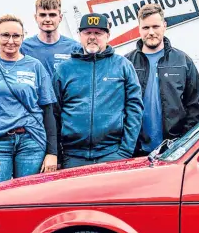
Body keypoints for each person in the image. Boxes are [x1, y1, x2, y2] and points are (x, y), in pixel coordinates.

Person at [0, 15, 59, 187]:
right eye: (5, 35)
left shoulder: (35, 67)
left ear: (23, 37)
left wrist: (52, 152)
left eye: (16, 36)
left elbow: (48, 112)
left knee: (29, 201)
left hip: (31, 142)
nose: (11, 41)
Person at [54, 13, 143, 168]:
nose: (92, 37)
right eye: (87, 33)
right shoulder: (64, 70)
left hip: (112, 154)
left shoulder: (123, 66)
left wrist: (125, 151)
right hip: (73, 157)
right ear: (79, 35)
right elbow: (54, 113)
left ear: (108, 35)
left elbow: (135, 109)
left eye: (98, 33)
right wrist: (59, 154)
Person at [125, 3, 199, 155]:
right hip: (135, 151)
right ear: (139, 29)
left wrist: (182, 141)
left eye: (156, 26)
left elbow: (195, 106)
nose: (151, 32)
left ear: (164, 26)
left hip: (173, 151)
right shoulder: (127, 63)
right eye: (146, 28)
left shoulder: (182, 61)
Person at [21, 0, 79, 77]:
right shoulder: (24, 48)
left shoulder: (74, 48)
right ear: (36, 17)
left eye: (52, 15)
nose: (47, 19)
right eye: (43, 15)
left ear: (60, 17)